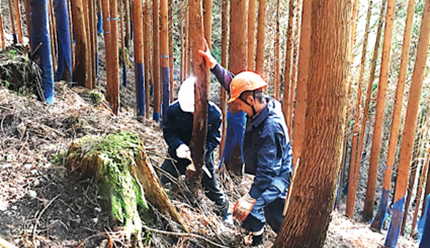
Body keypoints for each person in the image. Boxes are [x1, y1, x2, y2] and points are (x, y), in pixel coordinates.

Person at [198, 45, 293, 246]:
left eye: (239, 104)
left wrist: (250, 198)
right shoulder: (261, 103)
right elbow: (235, 83)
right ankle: (258, 238)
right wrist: (214, 66)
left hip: (278, 176)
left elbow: (268, 171)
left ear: (250, 100)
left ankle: (265, 242)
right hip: (269, 170)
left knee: (257, 211)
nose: (237, 107)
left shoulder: (271, 128)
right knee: (265, 213)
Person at [160, 76, 233, 226]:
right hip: (178, 153)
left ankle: (226, 211)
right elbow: (169, 131)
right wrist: (178, 146)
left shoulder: (214, 114)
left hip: (202, 157)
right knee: (163, 178)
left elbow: (214, 139)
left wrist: (202, 153)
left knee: (211, 186)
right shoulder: (174, 110)